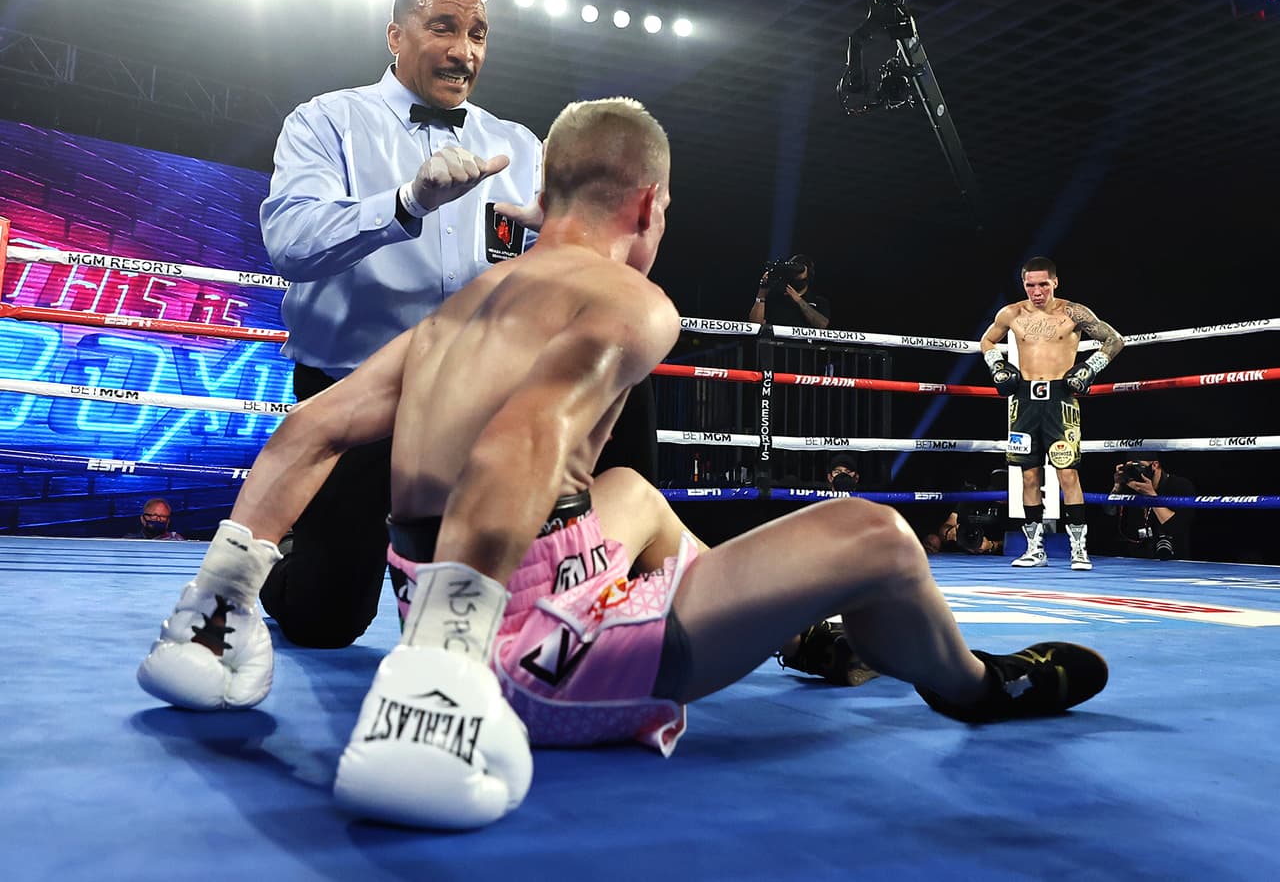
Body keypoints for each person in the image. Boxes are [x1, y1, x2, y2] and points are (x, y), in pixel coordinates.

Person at [139, 98, 1108, 832]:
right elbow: (523, 440)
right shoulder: (631, 302)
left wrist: (217, 603)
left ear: (544, 197)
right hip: (520, 662)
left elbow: (308, 428)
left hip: (455, 602)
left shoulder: (459, 309)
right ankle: (974, 687)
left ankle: (793, 631)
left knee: (628, 491)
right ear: (647, 205)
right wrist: (446, 664)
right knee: (877, 536)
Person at [255, 0, 544, 649]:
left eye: (477, 33)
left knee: (472, 632)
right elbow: (290, 243)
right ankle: (281, 545)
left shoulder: (519, 147)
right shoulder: (326, 121)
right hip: (352, 400)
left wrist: (566, 240)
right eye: (443, 26)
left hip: (472, 410)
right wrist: (403, 204)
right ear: (394, 34)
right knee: (324, 620)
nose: (464, 50)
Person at [980, 256, 1125, 572]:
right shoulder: (1011, 313)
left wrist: (1089, 368)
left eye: (1043, 284)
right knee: (1028, 474)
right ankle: (1034, 549)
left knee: (1067, 473)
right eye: (1030, 285)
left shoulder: (1073, 312)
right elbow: (987, 340)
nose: (1036, 291)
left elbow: (1114, 340)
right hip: (1023, 400)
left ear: (1055, 282)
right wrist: (998, 366)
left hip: (1061, 399)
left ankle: (1079, 550)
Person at [1104, 451, 1195, 560]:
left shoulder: (1180, 485)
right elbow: (1109, 512)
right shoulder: (1131, 486)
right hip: (1136, 561)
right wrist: (1117, 486)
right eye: (1130, 468)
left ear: (1155, 465)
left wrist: (1151, 496)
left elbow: (1176, 527)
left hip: (1173, 560)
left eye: (1137, 466)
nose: (1135, 472)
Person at [747, 254, 830, 329]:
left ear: (809, 274)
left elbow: (822, 325)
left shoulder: (818, 301)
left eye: (799, 271)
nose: (795, 275)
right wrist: (762, 293)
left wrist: (799, 300)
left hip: (803, 345)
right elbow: (755, 325)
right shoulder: (775, 297)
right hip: (775, 344)